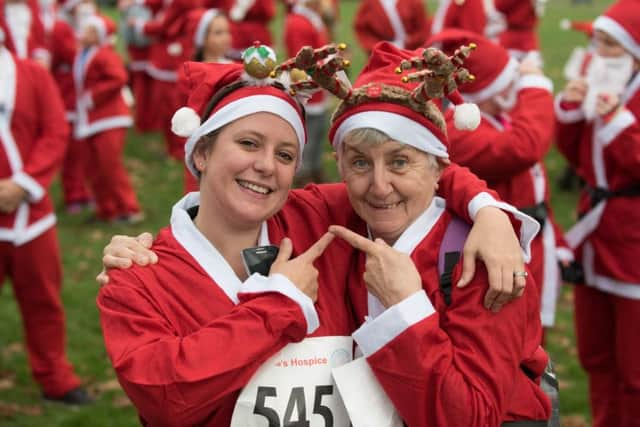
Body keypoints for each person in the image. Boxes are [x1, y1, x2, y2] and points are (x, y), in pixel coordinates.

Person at [97, 43, 539, 425]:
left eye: (285, 154)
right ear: (201, 153)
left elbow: (417, 172)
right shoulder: (138, 274)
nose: (267, 165)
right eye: (248, 144)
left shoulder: (320, 221)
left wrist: (489, 211)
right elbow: (164, 399)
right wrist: (279, 306)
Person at [322, 41, 550, 426]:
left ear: (438, 168)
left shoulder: (479, 259)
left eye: (400, 161)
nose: (379, 186)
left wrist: (403, 310)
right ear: (339, 165)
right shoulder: (338, 219)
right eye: (360, 162)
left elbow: (473, 418)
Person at [428, 29, 573, 335]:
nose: (516, 84)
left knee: (533, 335)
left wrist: (556, 241)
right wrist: (535, 87)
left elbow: (534, 190)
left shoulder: (501, 118)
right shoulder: (460, 130)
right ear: (488, 89)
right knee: (512, 336)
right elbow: (523, 148)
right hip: (500, 256)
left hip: (531, 245)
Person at [555, 1, 640, 425]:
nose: (598, 52)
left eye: (609, 44)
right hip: (596, 231)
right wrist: (571, 113)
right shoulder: (607, 82)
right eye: (597, 41)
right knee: (597, 352)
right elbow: (578, 158)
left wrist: (620, 123)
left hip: (633, 243)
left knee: (634, 364)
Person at [0, 27, 91, 405]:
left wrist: (24, 184)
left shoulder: (31, 73)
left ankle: (54, 375)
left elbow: (54, 130)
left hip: (30, 217)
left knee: (44, 301)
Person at [73, 14, 143, 224]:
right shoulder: (83, 53)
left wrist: (93, 96)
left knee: (109, 166)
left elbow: (119, 77)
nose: (84, 33)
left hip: (110, 117)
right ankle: (107, 209)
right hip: (92, 119)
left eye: (90, 31)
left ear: (100, 35)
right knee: (94, 168)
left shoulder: (104, 55)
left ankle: (129, 208)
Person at [284, 0, 331, 184]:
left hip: (317, 86)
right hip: (308, 88)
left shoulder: (310, 17)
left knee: (318, 132)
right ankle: (303, 173)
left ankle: (315, 167)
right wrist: (325, 66)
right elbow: (302, 61)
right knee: (309, 134)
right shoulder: (298, 22)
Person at [353, 0, 430, 54]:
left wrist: (406, 44)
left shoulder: (413, 2)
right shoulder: (370, 3)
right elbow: (362, 29)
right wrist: (378, 47)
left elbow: (422, 30)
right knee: (341, 73)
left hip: (411, 53)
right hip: (382, 56)